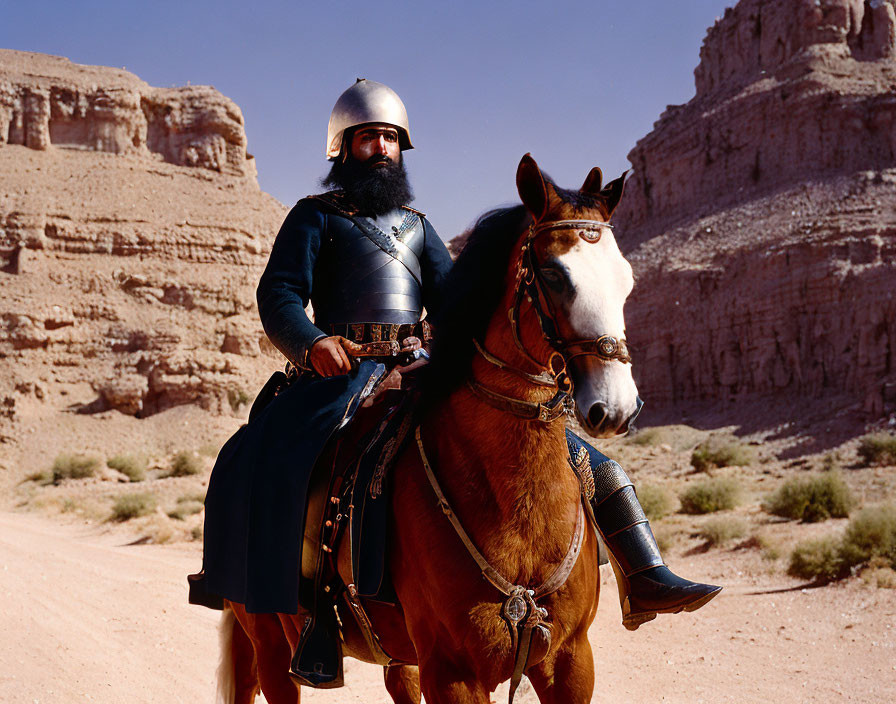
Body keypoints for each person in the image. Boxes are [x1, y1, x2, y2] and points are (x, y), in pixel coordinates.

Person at [189, 78, 719, 688]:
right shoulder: (315, 218)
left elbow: (456, 300)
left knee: (578, 457)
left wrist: (451, 349)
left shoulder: (416, 226)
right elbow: (278, 293)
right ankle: (307, 612)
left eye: (391, 138)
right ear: (343, 147)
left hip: (416, 366)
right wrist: (313, 344)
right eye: (369, 139)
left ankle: (645, 572)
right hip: (338, 372)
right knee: (292, 464)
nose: (382, 149)